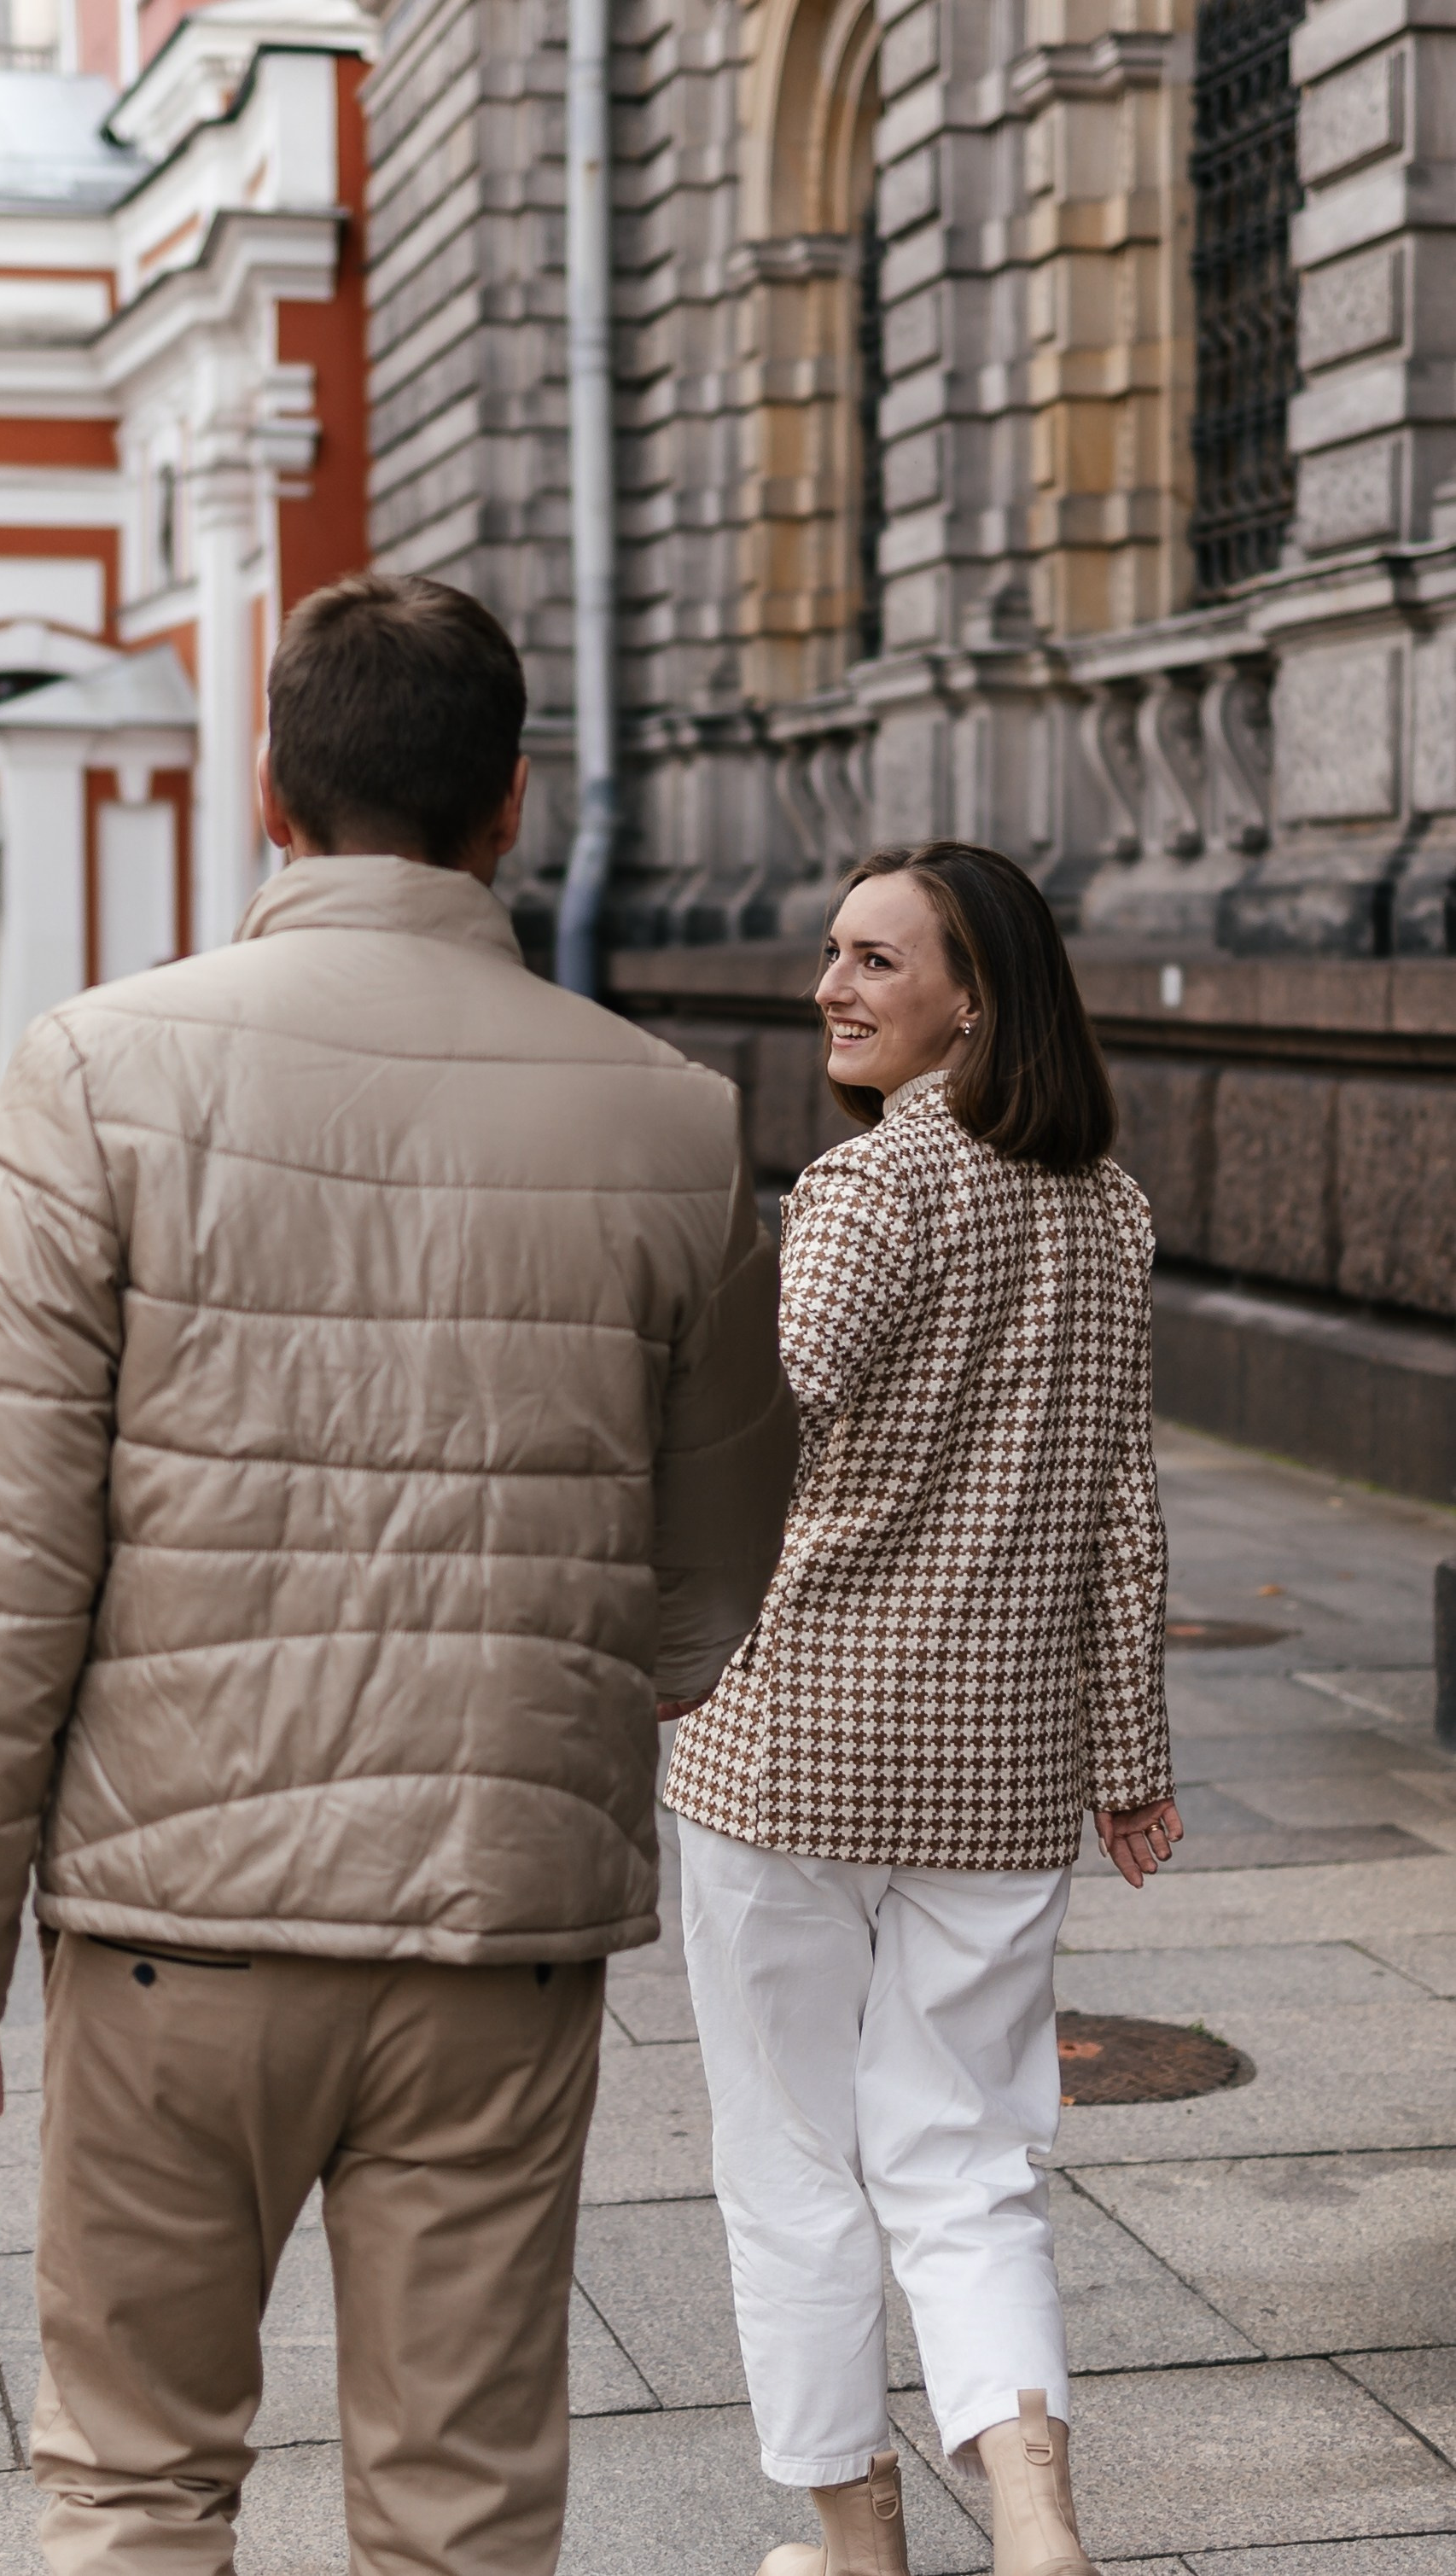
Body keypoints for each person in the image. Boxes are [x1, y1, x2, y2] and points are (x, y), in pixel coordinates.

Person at [0, 571, 797, 2576]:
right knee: (459, 2508)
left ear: (271, 793)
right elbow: (704, 1598)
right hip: (496, 1925)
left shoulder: (97, 1072)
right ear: (510, 804)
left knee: (133, 2482)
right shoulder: (674, 1117)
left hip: (173, 1924)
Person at [661, 841, 1180, 2576]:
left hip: (792, 1744)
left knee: (793, 2156)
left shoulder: (873, 1187)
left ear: (976, 996)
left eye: (877, 959)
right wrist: (1129, 1758)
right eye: (834, 951)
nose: (832, 984)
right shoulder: (1106, 1207)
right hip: (1004, 1764)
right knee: (968, 2156)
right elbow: (1121, 1503)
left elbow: (755, 1427)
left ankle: (857, 2542)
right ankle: (1034, 2522)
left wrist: (652, 1637)